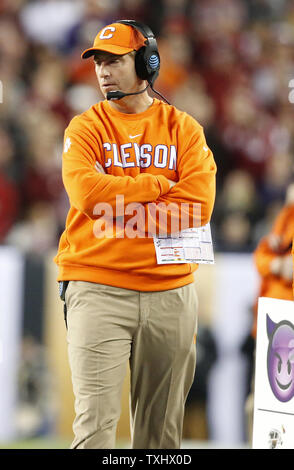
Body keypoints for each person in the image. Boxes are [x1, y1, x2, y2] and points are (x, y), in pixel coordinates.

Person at [54, 19, 216, 449]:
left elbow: (198, 207)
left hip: (170, 290)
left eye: (115, 60)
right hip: (97, 286)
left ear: (148, 62)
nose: (103, 71)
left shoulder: (184, 129)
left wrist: (122, 207)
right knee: (94, 430)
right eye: (99, 62)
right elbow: (90, 197)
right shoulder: (84, 128)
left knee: (161, 438)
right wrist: (158, 186)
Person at [245, 183, 294, 442]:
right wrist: (277, 264)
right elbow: (262, 256)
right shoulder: (286, 218)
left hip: (286, 323)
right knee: (260, 406)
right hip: (273, 322)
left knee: (279, 407)